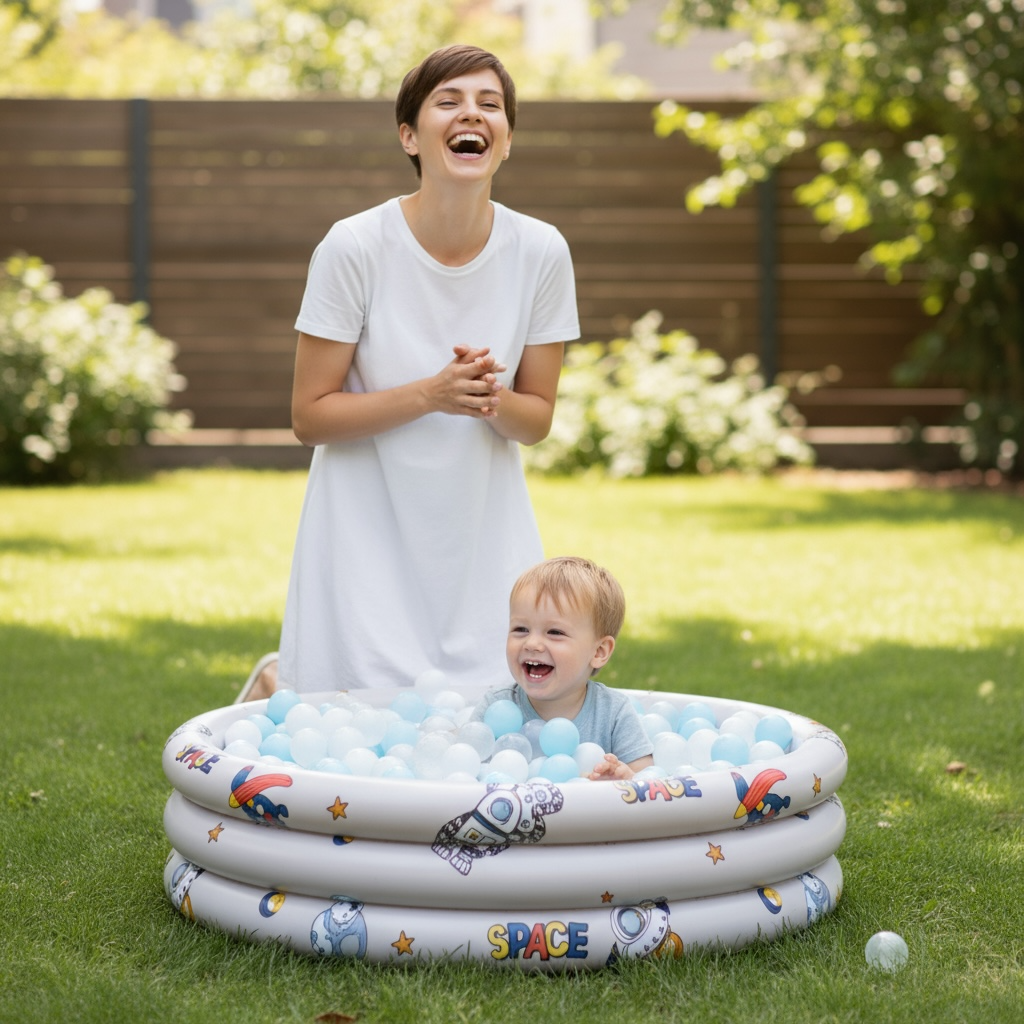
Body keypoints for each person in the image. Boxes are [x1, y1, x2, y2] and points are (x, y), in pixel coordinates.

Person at [254, 45, 580, 701]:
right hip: (363, 527)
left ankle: (275, 678)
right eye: (450, 101)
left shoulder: (541, 251)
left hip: (481, 528)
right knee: (357, 722)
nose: (473, 114)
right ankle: (276, 681)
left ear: (507, 140)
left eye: (491, 105)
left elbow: (536, 419)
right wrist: (432, 394)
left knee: (494, 723)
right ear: (410, 134)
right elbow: (309, 416)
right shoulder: (355, 246)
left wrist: (488, 397)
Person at [473, 556, 655, 781]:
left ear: (598, 652)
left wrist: (621, 779)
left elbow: (649, 781)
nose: (531, 643)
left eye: (555, 632)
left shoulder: (613, 713)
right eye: (521, 629)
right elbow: (464, 768)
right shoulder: (496, 708)